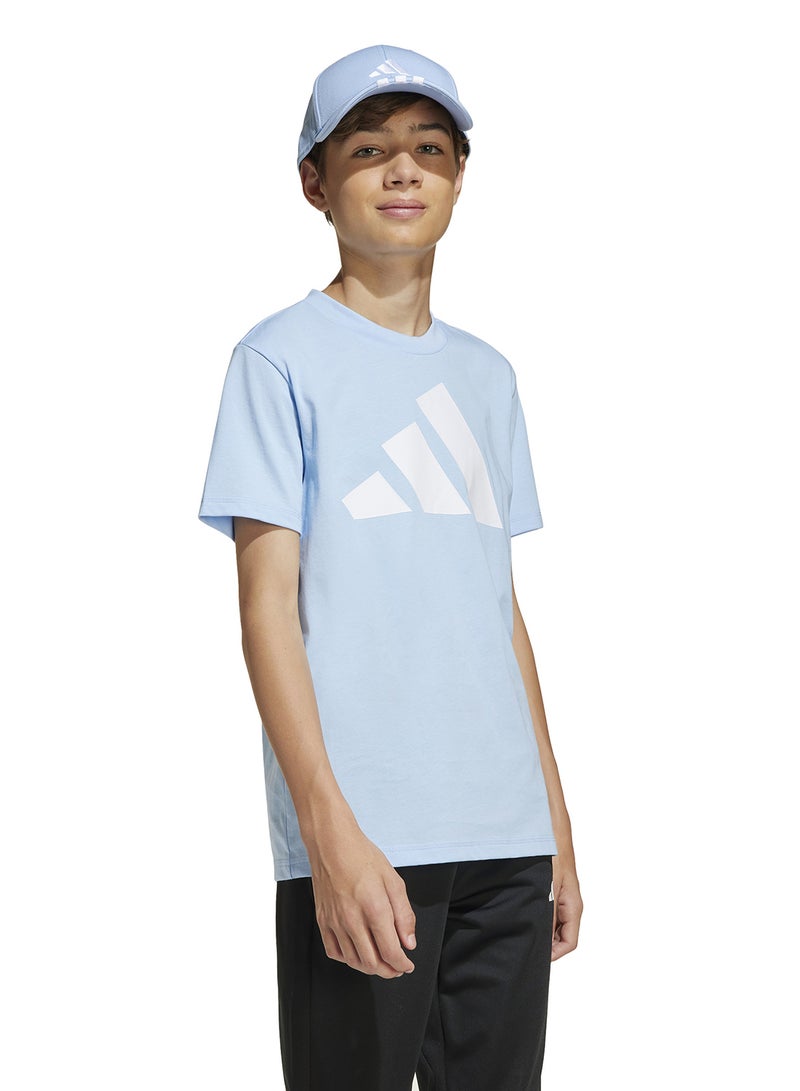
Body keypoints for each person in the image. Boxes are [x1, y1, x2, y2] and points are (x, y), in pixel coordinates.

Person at [199, 43, 582, 1091]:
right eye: (368, 149)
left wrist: (552, 821)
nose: (403, 168)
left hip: (504, 840)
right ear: (315, 184)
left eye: (429, 148)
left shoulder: (488, 376)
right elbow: (267, 609)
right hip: (365, 836)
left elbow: (498, 611)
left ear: (458, 178)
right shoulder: (277, 360)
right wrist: (326, 830)